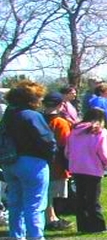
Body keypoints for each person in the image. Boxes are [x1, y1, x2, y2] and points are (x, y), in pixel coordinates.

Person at [2, 81, 57, 238]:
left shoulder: (9, 114)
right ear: (31, 98)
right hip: (32, 162)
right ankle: (35, 237)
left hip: (10, 162)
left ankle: (17, 236)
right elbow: (47, 140)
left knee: (15, 203)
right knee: (34, 205)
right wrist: (51, 156)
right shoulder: (32, 115)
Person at [65, 108, 107, 234]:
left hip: (77, 167)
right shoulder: (99, 131)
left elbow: (67, 150)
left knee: (81, 197)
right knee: (93, 198)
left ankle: (82, 225)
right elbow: (103, 151)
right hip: (93, 168)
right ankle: (98, 225)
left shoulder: (75, 130)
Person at [42, 93, 73, 231]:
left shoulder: (38, 118)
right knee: (49, 192)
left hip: (39, 159)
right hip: (56, 162)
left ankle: (52, 216)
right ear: (61, 105)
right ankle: (50, 218)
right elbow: (65, 144)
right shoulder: (60, 122)